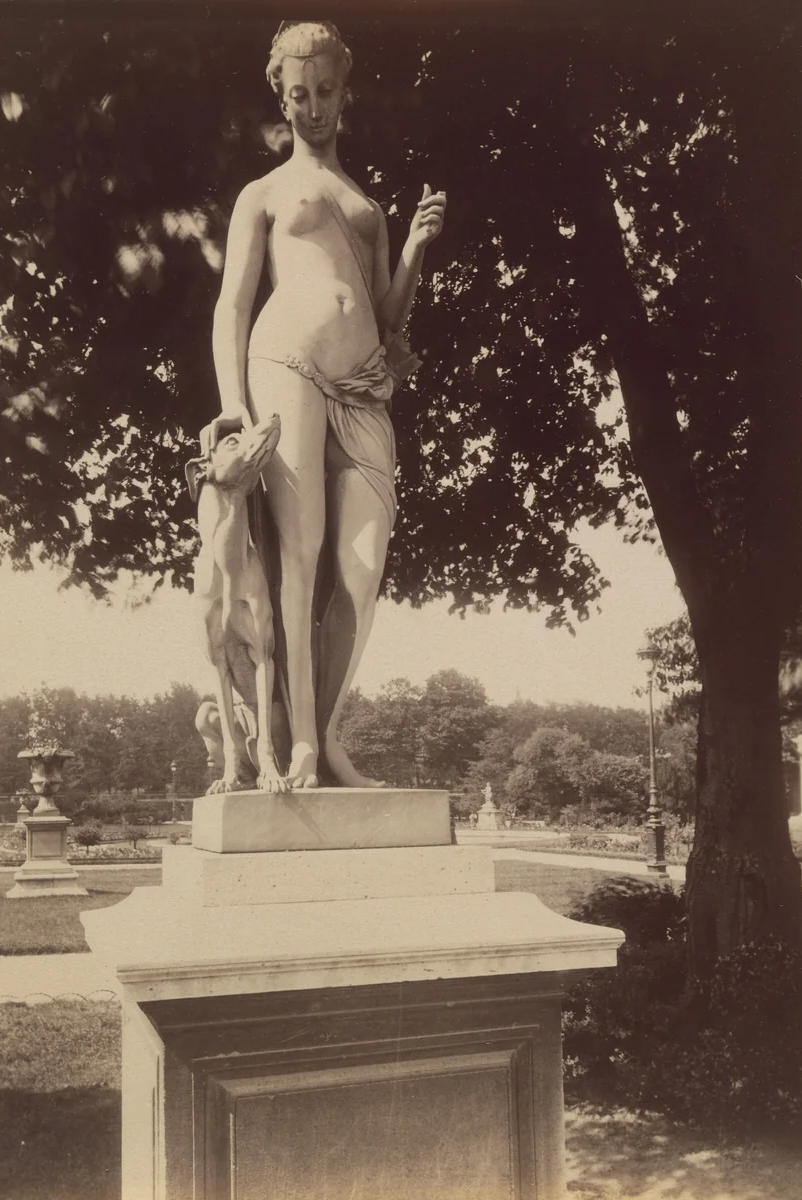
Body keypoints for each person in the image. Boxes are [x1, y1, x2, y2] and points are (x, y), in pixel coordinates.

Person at [199, 21, 446, 789]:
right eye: (298, 95)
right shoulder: (265, 193)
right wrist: (233, 403)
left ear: (345, 92)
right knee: (298, 557)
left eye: (325, 92)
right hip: (286, 366)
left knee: (361, 568)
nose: (312, 108)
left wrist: (411, 249)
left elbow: (383, 311)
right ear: (282, 96)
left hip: (365, 384)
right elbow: (232, 306)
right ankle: (305, 744)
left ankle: (329, 729)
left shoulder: (365, 207)